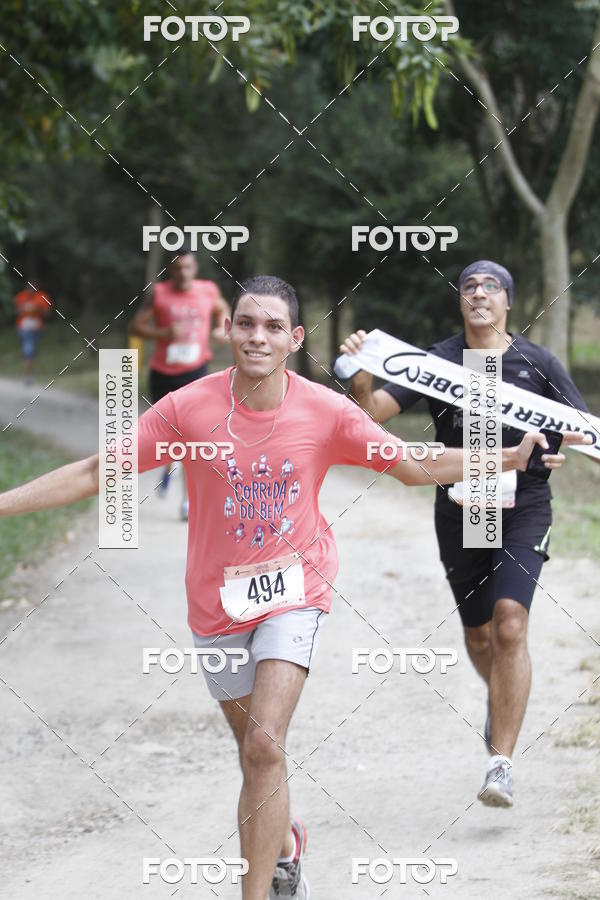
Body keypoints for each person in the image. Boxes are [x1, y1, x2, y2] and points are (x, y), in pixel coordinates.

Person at [0, 275, 579, 899]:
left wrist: (508, 458)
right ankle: (285, 845)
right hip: (216, 604)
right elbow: (97, 471)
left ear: (294, 338)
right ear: (228, 330)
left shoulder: (323, 409)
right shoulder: (188, 408)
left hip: (295, 593)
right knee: (256, 755)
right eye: (247, 323)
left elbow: (413, 465)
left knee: (263, 746)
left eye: (273, 326)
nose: (258, 336)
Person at [339, 259, 593, 809]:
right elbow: (372, 414)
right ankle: (502, 702)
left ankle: (501, 762)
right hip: (462, 508)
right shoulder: (438, 360)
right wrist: (360, 374)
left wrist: (554, 446)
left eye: (491, 286)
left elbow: (581, 427)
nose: (479, 293)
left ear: (508, 302)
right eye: (469, 286)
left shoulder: (538, 362)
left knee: (510, 624)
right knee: (480, 637)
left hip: (524, 506)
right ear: (460, 301)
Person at [128, 249, 230, 519]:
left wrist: (221, 327)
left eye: (187, 267)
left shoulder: (208, 290)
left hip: (195, 371)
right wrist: (163, 332)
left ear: (195, 268)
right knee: (169, 434)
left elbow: (222, 308)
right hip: (163, 373)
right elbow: (136, 327)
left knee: (193, 436)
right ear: (170, 270)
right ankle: (169, 464)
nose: (183, 272)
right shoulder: (158, 293)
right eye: (178, 268)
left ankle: (187, 501)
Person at [14, 281, 52, 384]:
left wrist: (37, 309)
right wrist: (24, 309)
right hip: (24, 327)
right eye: (29, 288)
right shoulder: (21, 296)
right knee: (29, 349)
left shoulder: (42, 297)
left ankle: (30, 368)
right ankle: (28, 375)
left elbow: (47, 313)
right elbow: (16, 311)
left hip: (37, 328)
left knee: (33, 349)